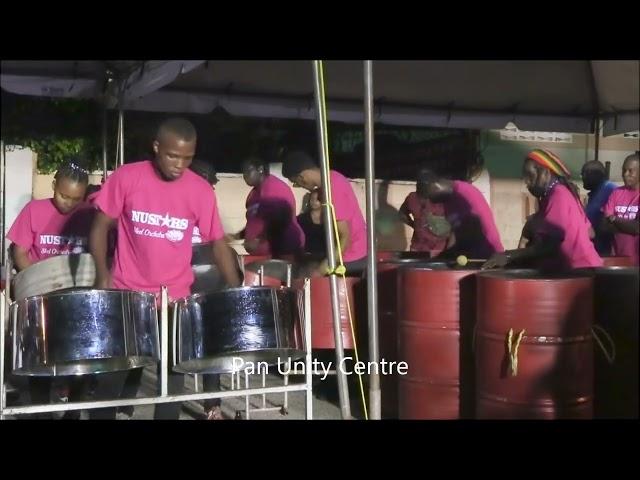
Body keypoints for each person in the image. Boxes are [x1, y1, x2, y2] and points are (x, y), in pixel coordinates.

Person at [90, 117, 241, 420]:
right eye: (173, 155)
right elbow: (99, 228)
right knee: (112, 379)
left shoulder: (200, 190)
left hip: (174, 300)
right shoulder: (127, 177)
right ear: (157, 147)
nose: (179, 165)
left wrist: (236, 292)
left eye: (187, 158)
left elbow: (218, 243)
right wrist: (102, 275)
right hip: (128, 295)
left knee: (171, 381)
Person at [6, 159, 94, 419]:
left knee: (78, 362)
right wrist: (38, 278)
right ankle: (41, 411)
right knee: (40, 361)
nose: (68, 203)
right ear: (53, 185)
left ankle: (73, 412)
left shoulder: (90, 215)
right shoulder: (34, 210)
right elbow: (20, 251)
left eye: (75, 198)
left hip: (77, 297)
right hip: (41, 294)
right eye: (63, 195)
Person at [484, 149, 603, 271]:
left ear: (545, 173)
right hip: (580, 269)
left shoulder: (559, 195)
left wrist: (509, 255)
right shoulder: (558, 194)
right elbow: (590, 232)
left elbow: (550, 245)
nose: (526, 181)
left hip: (580, 271)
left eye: (530, 175)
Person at [281, 151, 367, 276]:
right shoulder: (332, 177)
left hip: (352, 257)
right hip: (346, 253)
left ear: (302, 177)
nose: (298, 186)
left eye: (296, 183)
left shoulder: (332, 187)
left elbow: (345, 238)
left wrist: (320, 271)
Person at [418, 168, 503, 260]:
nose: (430, 201)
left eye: (429, 196)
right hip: (468, 257)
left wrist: (499, 255)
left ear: (435, 186)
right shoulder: (448, 202)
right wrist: (444, 256)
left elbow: (480, 230)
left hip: (487, 257)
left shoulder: (465, 194)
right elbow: (455, 234)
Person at [229, 157, 304, 259]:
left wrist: (258, 240)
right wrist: (236, 236)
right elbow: (254, 223)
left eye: (248, 171)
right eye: (243, 173)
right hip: (261, 255)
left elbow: (279, 219)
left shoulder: (275, 187)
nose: (244, 176)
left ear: (260, 169)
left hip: (282, 253)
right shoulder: (254, 193)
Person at [399, 167, 450, 254]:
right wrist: (414, 225)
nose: (421, 186)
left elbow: (454, 221)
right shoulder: (412, 198)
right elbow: (402, 214)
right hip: (418, 247)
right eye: (420, 184)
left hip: (438, 248)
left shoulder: (442, 199)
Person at [601, 153, 640, 266]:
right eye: (624, 170)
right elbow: (604, 225)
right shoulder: (616, 193)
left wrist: (614, 219)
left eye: (630, 171)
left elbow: (637, 228)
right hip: (617, 259)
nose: (625, 174)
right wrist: (629, 226)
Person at [581, 160, 617, 255]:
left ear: (595, 174)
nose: (582, 178)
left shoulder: (611, 190)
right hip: (594, 249)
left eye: (584, 174)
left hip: (606, 250)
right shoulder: (594, 193)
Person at [296, 189, 326, 257]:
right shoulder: (301, 219)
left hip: (325, 257)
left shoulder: (330, 219)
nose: (313, 202)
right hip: (306, 255)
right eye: (312, 199)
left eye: (317, 199)